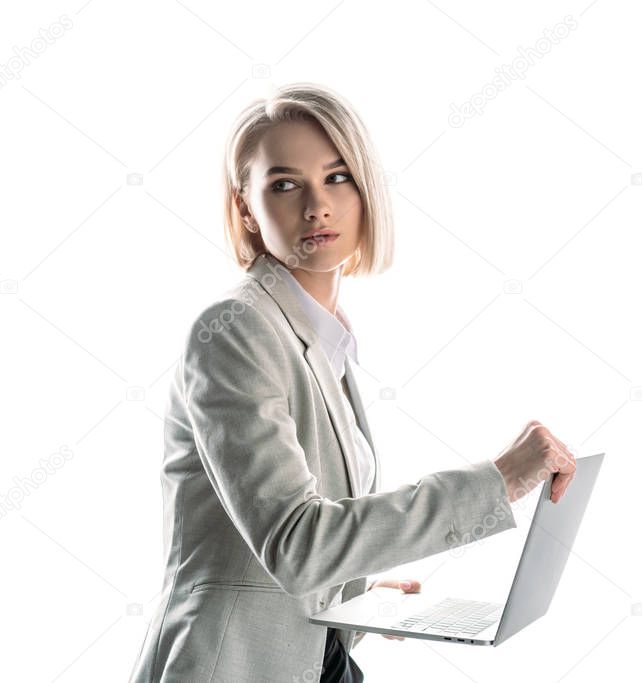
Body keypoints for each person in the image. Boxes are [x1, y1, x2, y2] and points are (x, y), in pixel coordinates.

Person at [128, 82, 576, 682]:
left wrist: (357, 595)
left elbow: (288, 548)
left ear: (366, 191)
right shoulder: (234, 331)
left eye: (337, 177)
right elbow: (296, 542)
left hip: (315, 658)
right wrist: (496, 481)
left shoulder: (323, 335)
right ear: (245, 210)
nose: (317, 206)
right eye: (285, 185)